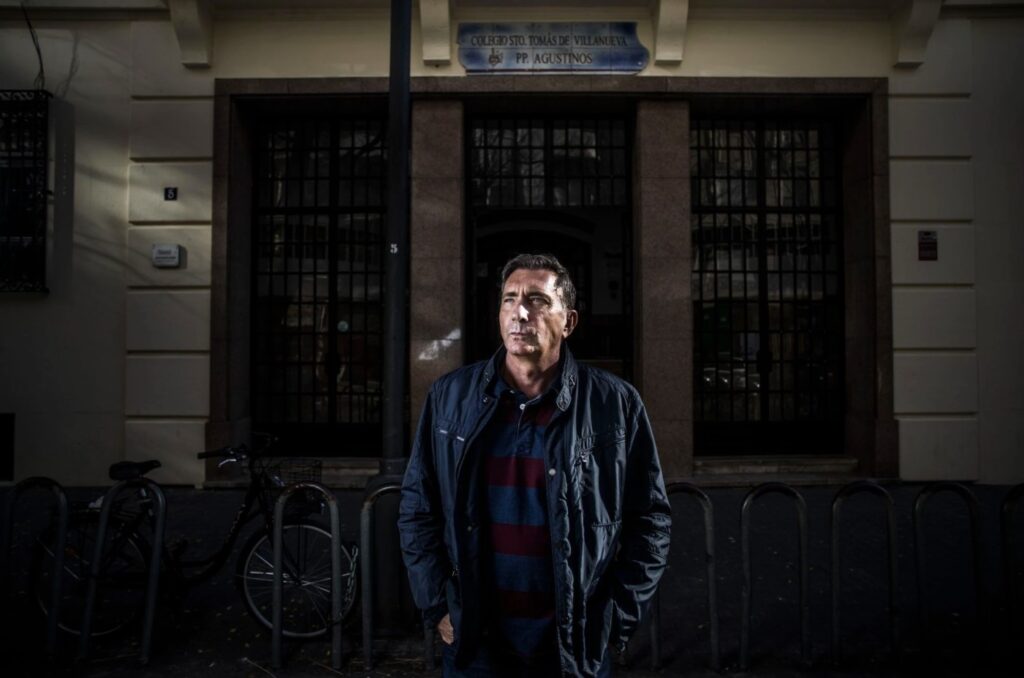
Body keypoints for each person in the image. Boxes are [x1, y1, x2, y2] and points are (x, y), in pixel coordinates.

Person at [398, 253, 671, 677]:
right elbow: (417, 507)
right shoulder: (450, 399)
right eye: (509, 299)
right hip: (478, 644)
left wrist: (615, 618)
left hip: (572, 645)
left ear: (569, 322)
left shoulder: (614, 405)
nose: (520, 312)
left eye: (539, 300)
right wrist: (437, 605)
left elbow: (651, 520)